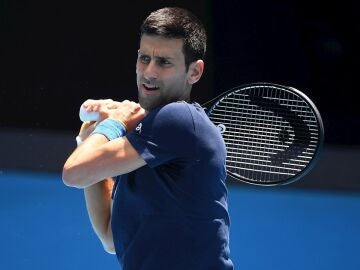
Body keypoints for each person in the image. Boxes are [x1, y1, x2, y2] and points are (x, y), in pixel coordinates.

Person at [62, 6, 233, 269]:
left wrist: (113, 124)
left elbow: (73, 173)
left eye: (164, 62)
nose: (149, 72)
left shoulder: (179, 118)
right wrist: (89, 142)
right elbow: (110, 237)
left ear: (195, 72)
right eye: (144, 58)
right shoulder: (147, 141)